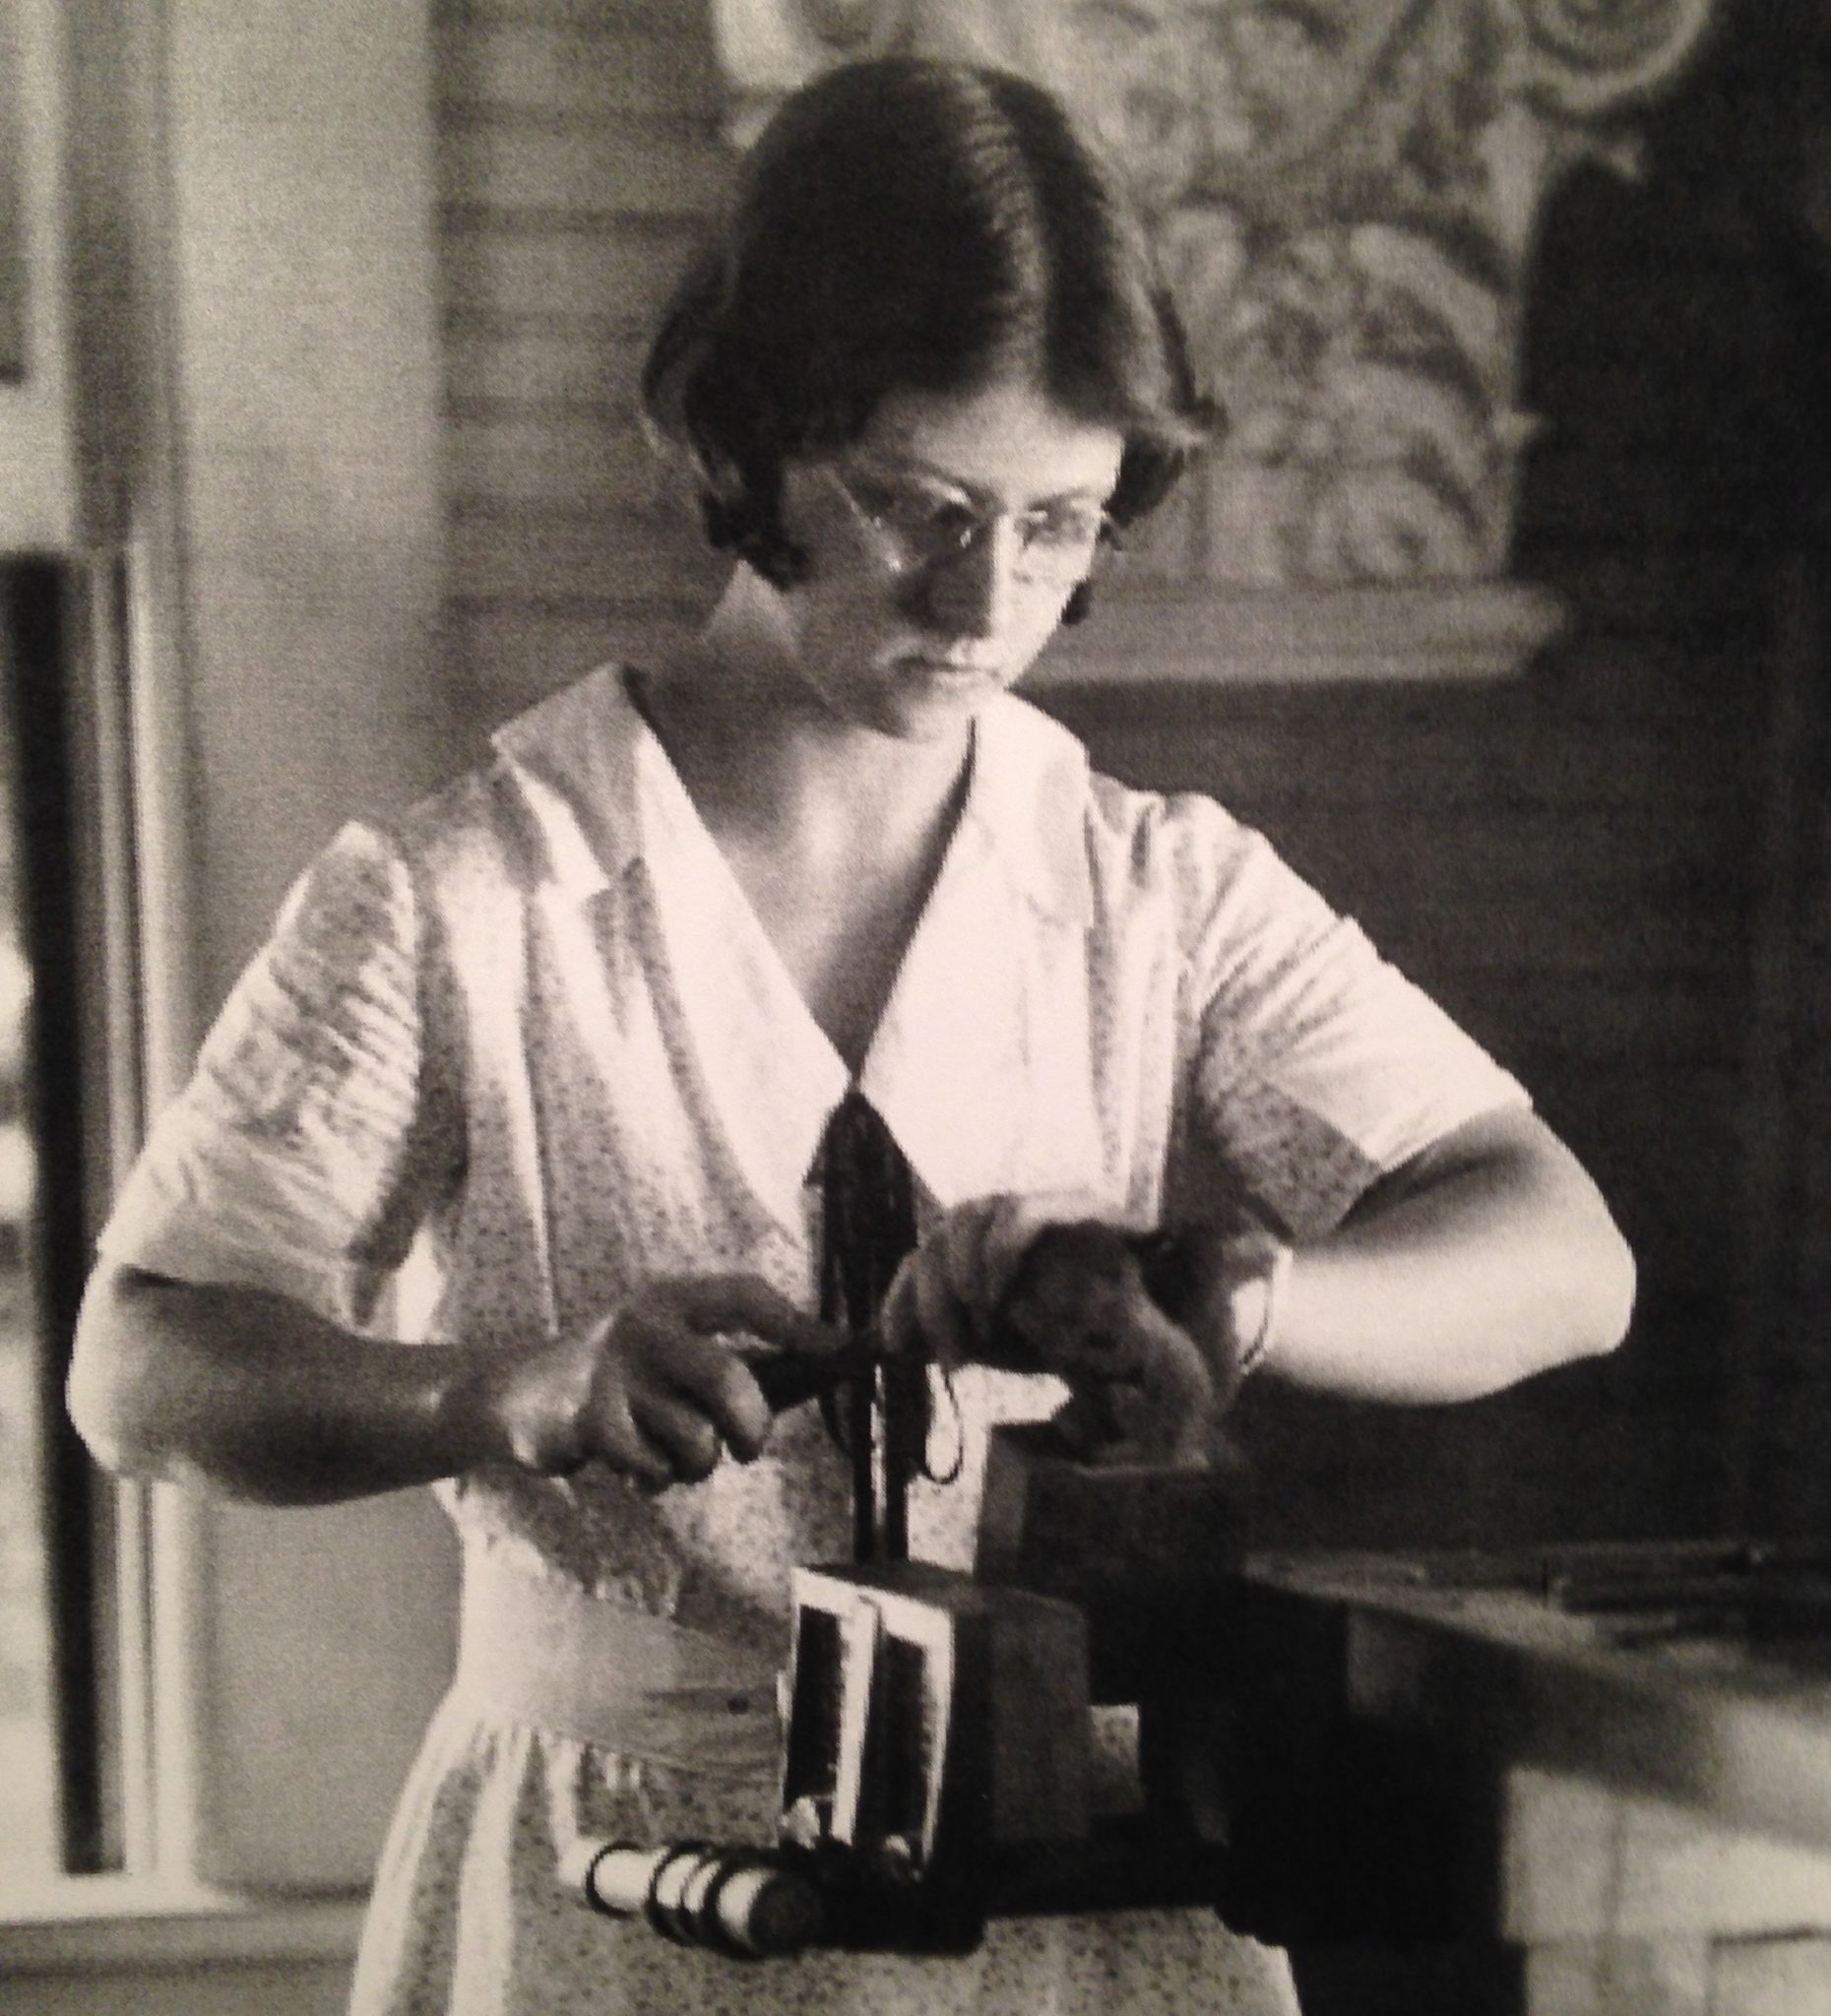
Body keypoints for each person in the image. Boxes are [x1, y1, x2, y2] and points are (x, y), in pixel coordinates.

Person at [67, 53, 1634, 2016]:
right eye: (919, 506)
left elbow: (1567, 1256)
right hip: (613, 1894)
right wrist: (503, 1394)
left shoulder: (1159, 891)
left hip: (1068, 1904)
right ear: (750, 432)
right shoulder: (464, 896)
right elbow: (140, 1366)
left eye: (1061, 524)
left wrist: (1233, 1294)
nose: (990, 599)